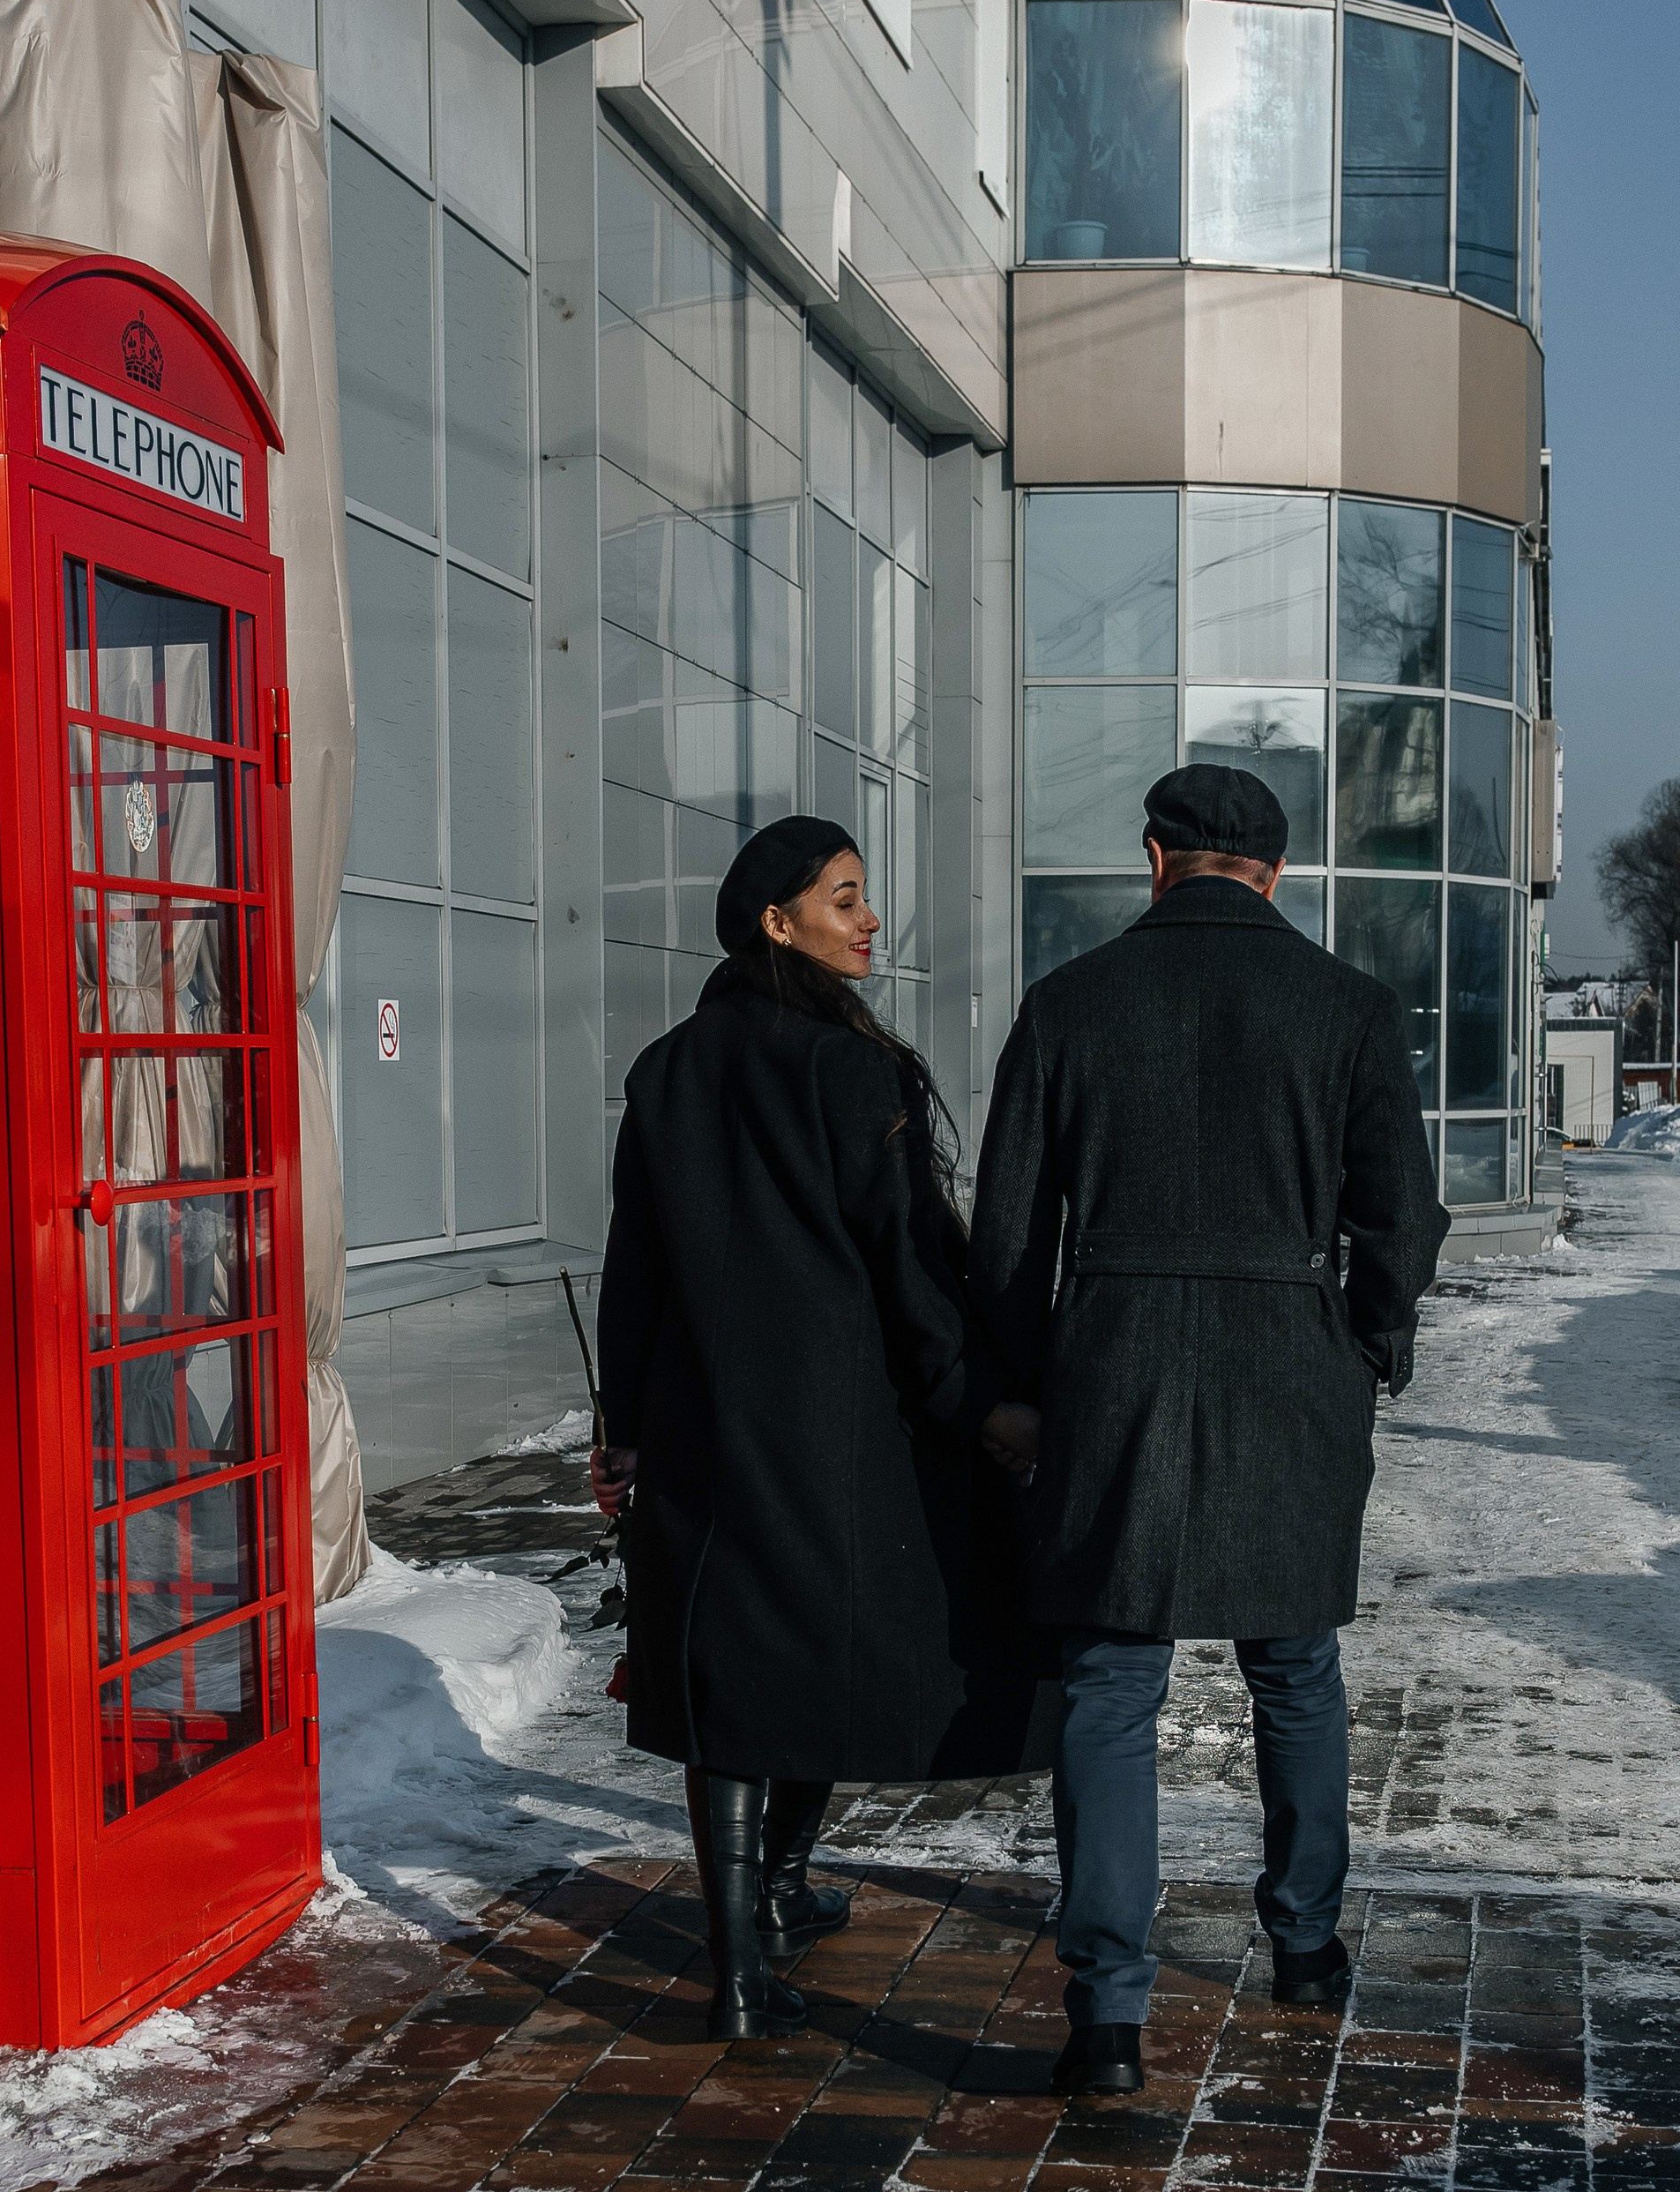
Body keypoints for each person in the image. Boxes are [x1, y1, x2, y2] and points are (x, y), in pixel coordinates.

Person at [969, 762, 1447, 2095]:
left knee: (1111, 1683)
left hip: (1113, 1363)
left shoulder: (1069, 1002)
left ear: (1154, 857)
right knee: (1294, 1671)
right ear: (1277, 872)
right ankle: (1305, 1948)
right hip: (1291, 1363)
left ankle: (1107, 2016)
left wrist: (1024, 1385)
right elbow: (1401, 1219)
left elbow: (1009, 1232)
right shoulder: (1350, 1007)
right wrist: (1364, 1345)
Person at [592, 818, 1044, 2039]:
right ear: (775, 922)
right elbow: (909, 1264)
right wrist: (974, 1399)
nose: (870, 920)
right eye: (844, 899)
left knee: (735, 1669)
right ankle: (774, 1899)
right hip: (840, 1421)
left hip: (701, 1417)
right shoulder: (850, 1067)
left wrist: (623, 1426)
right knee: (826, 1649)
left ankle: (748, 1951)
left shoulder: (667, 1069)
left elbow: (634, 1269)